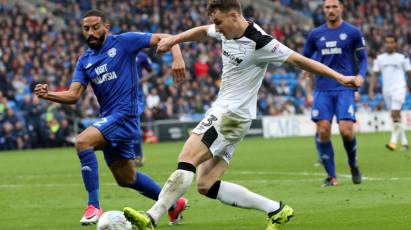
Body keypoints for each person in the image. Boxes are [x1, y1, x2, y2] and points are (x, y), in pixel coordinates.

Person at [122, 1, 362, 229]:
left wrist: (341, 78)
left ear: (234, 15)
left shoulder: (260, 42)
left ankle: (151, 217)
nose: (217, 29)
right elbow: (202, 32)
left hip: (230, 114)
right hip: (238, 118)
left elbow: (301, 61)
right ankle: (276, 210)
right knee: (206, 185)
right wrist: (175, 40)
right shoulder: (225, 29)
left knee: (187, 157)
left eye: (219, 22)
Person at [34, 9, 187, 225]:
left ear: (106, 27)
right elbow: (73, 95)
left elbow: (166, 37)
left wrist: (177, 57)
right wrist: (47, 94)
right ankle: (173, 204)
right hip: (110, 118)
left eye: (96, 27)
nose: (91, 32)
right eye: (86, 28)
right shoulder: (84, 60)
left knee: (82, 141)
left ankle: (93, 206)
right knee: (127, 178)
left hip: (126, 116)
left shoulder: (124, 42)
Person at [302, 0, 367, 187]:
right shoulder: (315, 34)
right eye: (327, 7)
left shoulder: (353, 32)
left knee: (346, 132)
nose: (331, 10)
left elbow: (362, 59)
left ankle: (352, 163)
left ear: (341, 8)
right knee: (323, 131)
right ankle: (331, 177)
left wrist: (360, 76)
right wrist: (305, 68)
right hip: (322, 88)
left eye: (334, 7)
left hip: (344, 87)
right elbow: (305, 56)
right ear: (324, 10)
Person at [369, 34, 411, 151]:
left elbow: (409, 73)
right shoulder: (380, 58)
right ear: (385, 43)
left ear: (396, 43)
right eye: (387, 42)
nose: (389, 44)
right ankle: (405, 143)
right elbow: (375, 75)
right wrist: (371, 89)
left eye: (392, 42)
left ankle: (392, 142)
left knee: (394, 114)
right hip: (386, 91)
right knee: (396, 117)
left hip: (399, 88)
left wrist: (409, 86)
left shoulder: (403, 57)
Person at [134, 50, 154, 167]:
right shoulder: (120, 52)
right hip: (120, 93)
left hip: (137, 94)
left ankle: (138, 156)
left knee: (134, 123)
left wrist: (142, 80)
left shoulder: (142, 56)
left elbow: (152, 72)